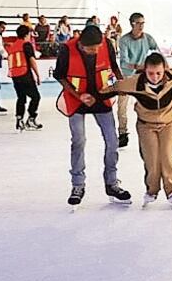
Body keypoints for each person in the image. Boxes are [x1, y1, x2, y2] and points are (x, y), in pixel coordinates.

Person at [54, 25, 131, 209]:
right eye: (91, 49)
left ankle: (112, 183)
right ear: (81, 44)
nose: (95, 51)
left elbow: (113, 66)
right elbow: (60, 76)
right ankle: (77, 185)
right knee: (79, 140)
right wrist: (78, 95)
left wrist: (120, 86)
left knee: (112, 142)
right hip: (77, 100)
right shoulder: (66, 49)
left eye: (97, 48)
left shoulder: (106, 44)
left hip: (101, 98)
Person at [103, 52, 172, 209]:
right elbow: (111, 88)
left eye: (159, 73)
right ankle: (152, 190)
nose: (155, 77)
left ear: (165, 69)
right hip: (146, 124)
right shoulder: (134, 83)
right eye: (151, 73)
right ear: (144, 70)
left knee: (167, 156)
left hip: (169, 123)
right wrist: (91, 96)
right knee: (151, 159)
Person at [116, 12, 160, 148]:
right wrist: (138, 66)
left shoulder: (148, 38)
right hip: (127, 77)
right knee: (122, 106)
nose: (141, 26)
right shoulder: (124, 40)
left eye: (143, 23)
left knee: (149, 102)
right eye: (138, 23)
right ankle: (123, 133)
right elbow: (124, 62)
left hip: (143, 76)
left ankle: (153, 129)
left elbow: (157, 52)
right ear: (132, 24)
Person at [6, 25, 42, 131]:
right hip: (24, 73)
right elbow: (32, 60)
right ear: (27, 34)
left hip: (15, 75)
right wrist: (38, 74)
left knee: (21, 98)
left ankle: (19, 120)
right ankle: (31, 119)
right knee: (35, 97)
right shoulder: (26, 45)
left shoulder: (13, 47)